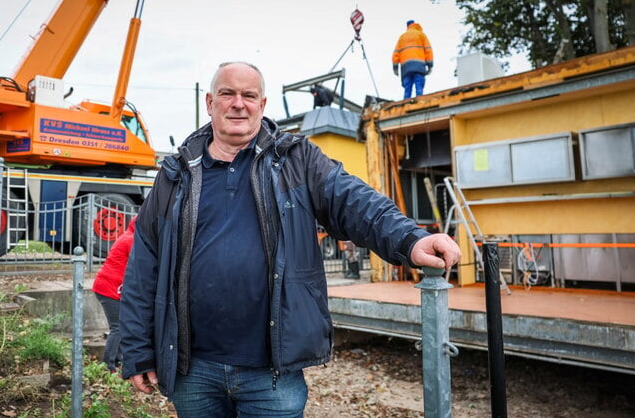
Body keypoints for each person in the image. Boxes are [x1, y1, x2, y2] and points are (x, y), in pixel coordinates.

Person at [119, 61, 460, 417]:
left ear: (262, 105)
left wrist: (410, 240)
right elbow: (144, 267)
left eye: (249, 95)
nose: (238, 103)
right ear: (209, 102)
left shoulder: (295, 159)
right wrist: (138, 350)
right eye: (227, 94)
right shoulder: (175, 175)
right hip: (194, 371)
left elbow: (354, 201)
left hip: (271, 375)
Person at [91, 217, 136, 373]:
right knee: (118, 327)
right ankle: (108, 365)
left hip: (109, 286)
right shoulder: (131, 240)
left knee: (121, 325)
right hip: (108, 288)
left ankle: (117, 360)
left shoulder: (128, 236)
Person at [392, 20, 434, 99]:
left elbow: (396, 53)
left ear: (407, 26)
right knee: (419, 86)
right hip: (419, 65)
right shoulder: (421, 35)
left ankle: (406, 103)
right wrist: (430, 65)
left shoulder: (402, 37)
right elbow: (428, 50)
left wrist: (395, 67)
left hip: (406, 66)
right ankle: (419, 101)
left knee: (407, 87)